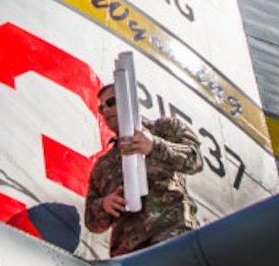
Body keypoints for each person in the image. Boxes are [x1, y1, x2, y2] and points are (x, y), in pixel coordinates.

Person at [83, 82, 203, 257]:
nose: (105, 111)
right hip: (129, 254)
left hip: (171, 234)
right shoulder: (103, 165)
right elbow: (91, 222)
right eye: (101, 108)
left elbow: (195, 160)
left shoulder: (165, 129)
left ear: (128, 100)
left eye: (111, 102)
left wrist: (154, 146)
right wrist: (105, 204)